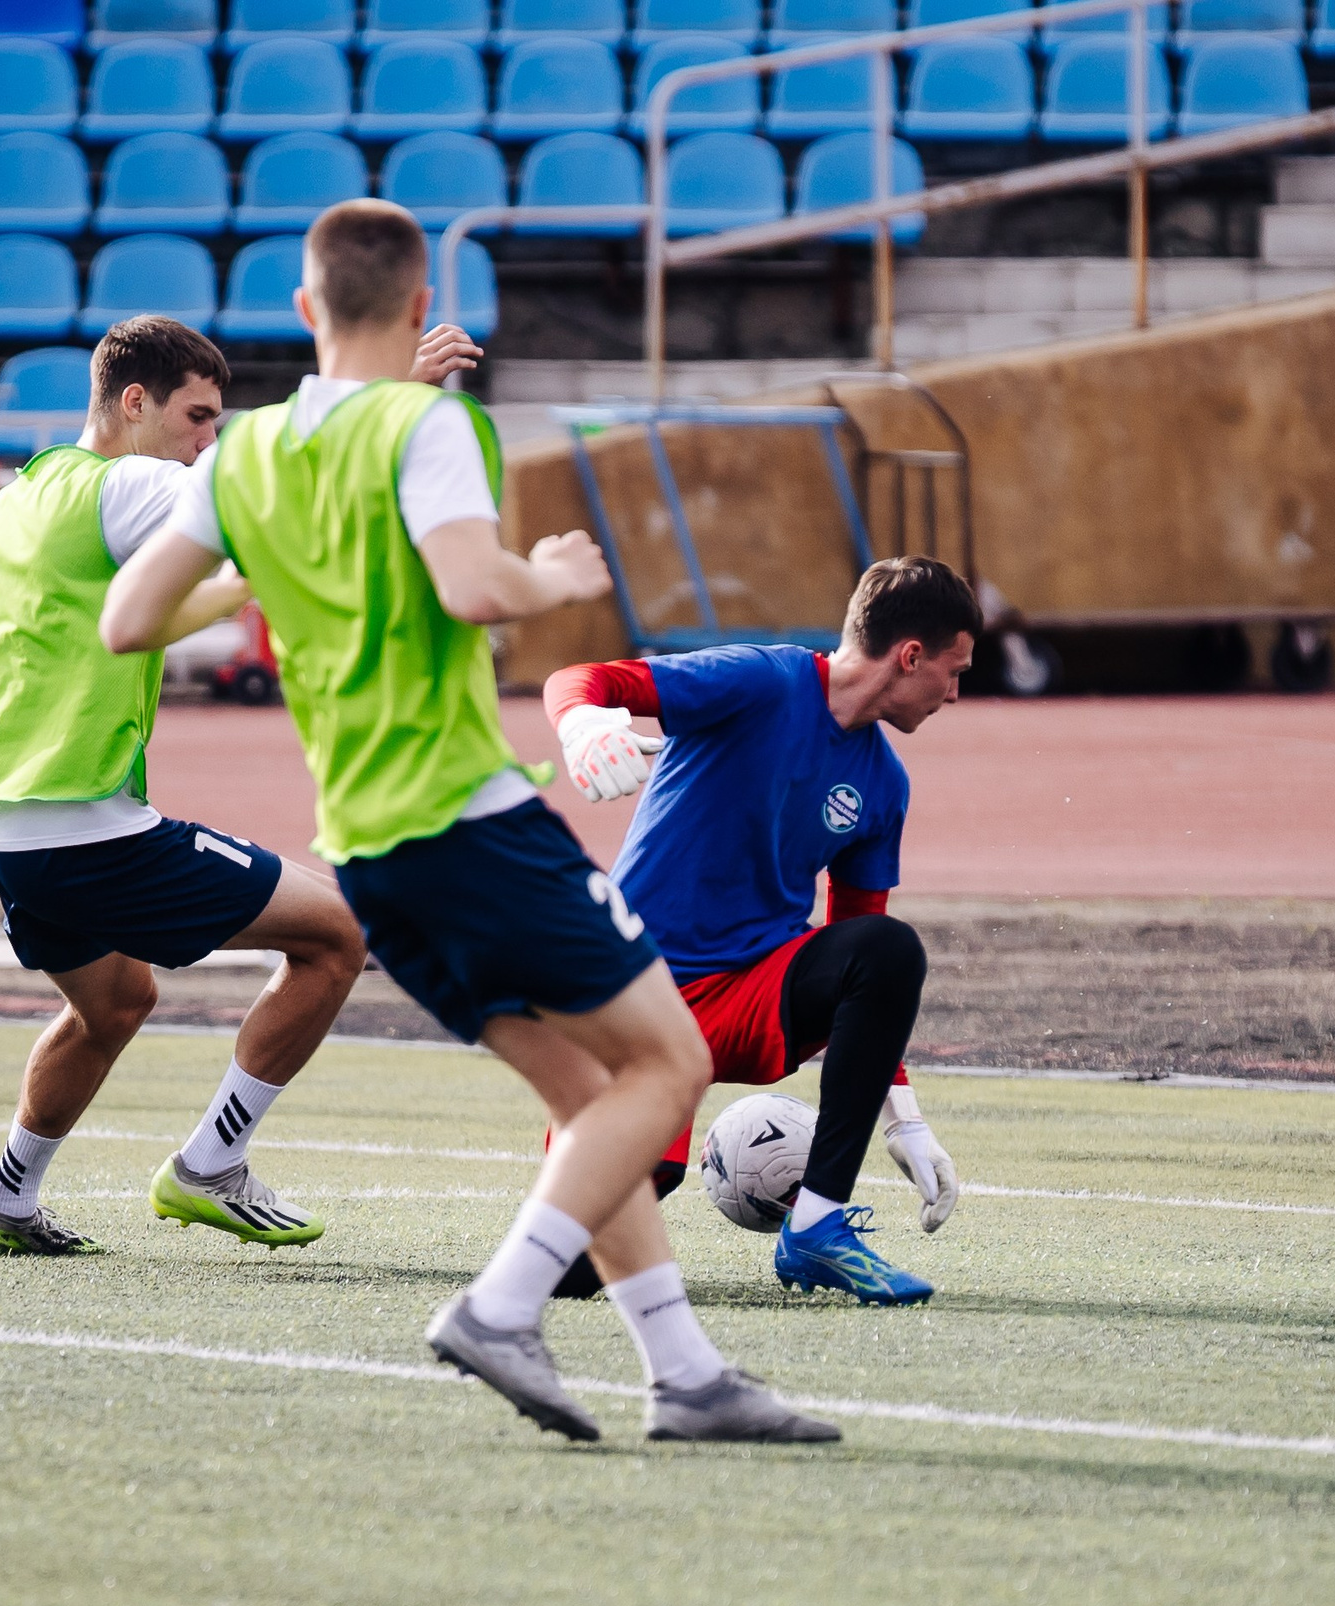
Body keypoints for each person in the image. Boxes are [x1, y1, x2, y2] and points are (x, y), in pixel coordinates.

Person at [101, 202, 838, 1447]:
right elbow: (472, 586)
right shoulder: (428, 424)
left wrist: (267, 563)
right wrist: (557, 572)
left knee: (599, 1098)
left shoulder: (247, 454)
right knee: (670, 1065)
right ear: (415, 301)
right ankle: (500, 1307)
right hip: (467, 815)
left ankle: (684, 1374)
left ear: (301, 309)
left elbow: (129, 619)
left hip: (369, 852)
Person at [0, 316, 470, 1259]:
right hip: (87, 830)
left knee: (113, 1003)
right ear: (133, 401)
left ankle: (5, 1205)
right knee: (341, 935)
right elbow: (274, 499)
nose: (205, 442)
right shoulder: (133, 483)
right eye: (196, 417)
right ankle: (210, 1166)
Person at [545, 556, 979, 1305]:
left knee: (887, 948)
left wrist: (902, 1116)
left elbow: (861, 950)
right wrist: (582, 726)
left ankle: (816, 1225)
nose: (956, 691)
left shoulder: (884, 784)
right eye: (955, 669)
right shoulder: (760, 680)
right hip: (637, 1000)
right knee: (576, 1267)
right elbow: (580, 680)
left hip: (748, 997)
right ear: (911, 656)